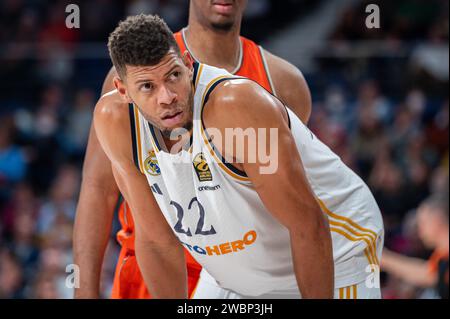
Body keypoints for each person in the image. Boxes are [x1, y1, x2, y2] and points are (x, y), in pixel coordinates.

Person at [94, 14, 384, 299]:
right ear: (123, 90)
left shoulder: (235, 107)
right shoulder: (115, 122)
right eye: (148, 86)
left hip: (336, 253)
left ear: (187, 63)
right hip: (234, 273)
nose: (167, 96)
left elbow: (308, 224)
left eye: (174, 76)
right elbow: (157, 241)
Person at [73, 0, 312, 299]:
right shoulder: (136, 71)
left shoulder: (284, 83)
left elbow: (299, 209)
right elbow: (99, 188)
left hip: (246, 273)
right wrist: (84, 291)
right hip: (151, 266)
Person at [382, 194, 449, 299]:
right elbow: (427, 273)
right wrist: (384, 258)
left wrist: (384, 258)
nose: (419, 231)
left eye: (422, 223)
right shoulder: (442, 256)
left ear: (437, 220)